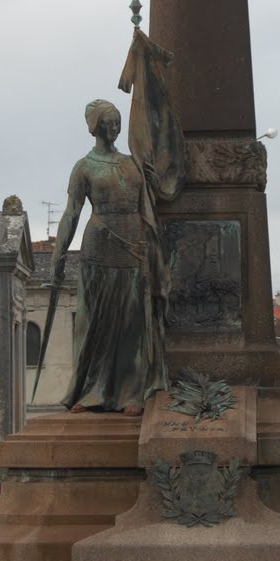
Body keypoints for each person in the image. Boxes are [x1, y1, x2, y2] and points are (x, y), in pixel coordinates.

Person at [50, 99, 167, 416]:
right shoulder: (84, 167)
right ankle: (91, 393)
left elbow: (150, 200)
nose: (115, 128)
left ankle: (131, 393)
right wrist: (57, 255)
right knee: (97, 324)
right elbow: (71, 213)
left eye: (117, 122)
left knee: (131, 322)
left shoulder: (133, 163)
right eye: (109, 123)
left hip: (133, 245)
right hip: (98, 245)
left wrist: (154, 184)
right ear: (95, 126)